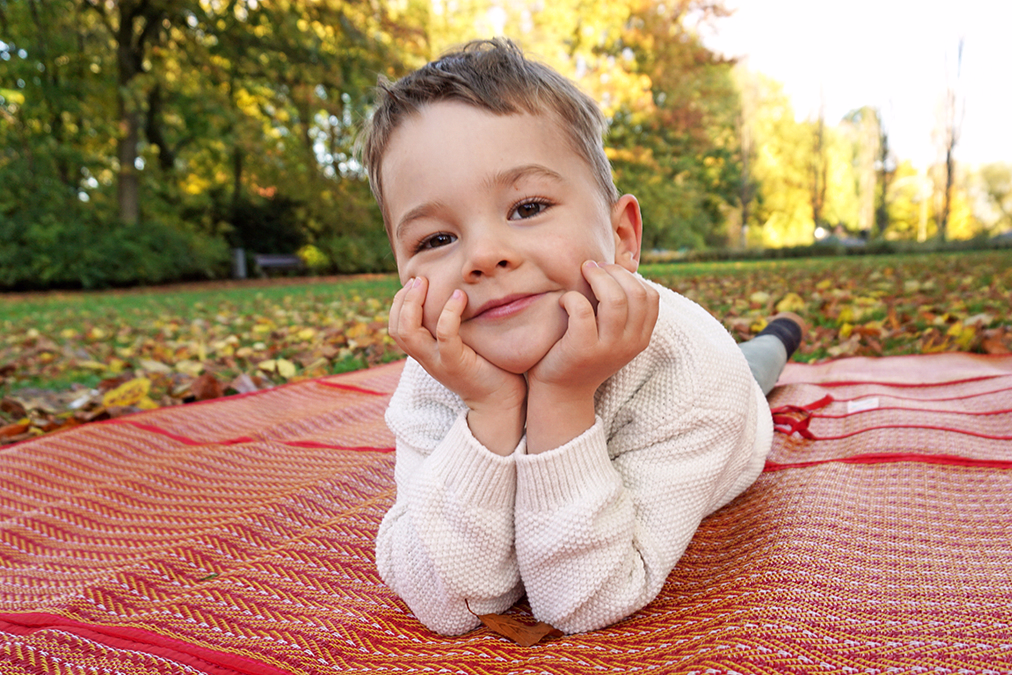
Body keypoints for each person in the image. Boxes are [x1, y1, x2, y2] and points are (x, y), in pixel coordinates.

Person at [360, 38, 804, 636]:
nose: (485, 256)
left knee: (761, 363)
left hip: (738, 392)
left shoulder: (695, 376)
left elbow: (582, 597)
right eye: (435, 240)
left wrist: (561, 399)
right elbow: (448, 599)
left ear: (622, 236)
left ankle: (785, 330)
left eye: (528, 206)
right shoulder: (439, 372)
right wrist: (490, 408)